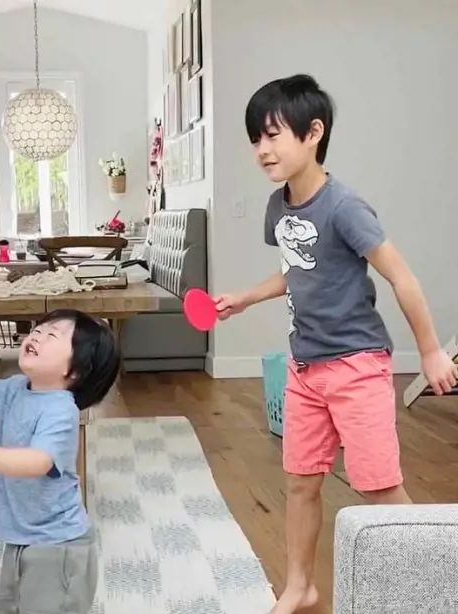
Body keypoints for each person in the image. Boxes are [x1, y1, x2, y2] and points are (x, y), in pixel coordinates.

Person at [214, 74, 457, 614]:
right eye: (256, 138)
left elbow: (403, 279)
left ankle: (434, 582)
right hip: (304, 368)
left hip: (357, 366)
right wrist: (245, 298)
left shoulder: (344, 206)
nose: (262, 149)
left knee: (378, 489)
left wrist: (433, 351)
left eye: (273, 135)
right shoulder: (279, 209)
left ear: (313, 133)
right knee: (300, 482)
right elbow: (296, 272)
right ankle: (301, 587)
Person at [0, 309, 121, 614]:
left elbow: (38, 461)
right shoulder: (14, 389)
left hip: (58, 544)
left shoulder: (60, 410)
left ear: (76, 371)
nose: (38, 335)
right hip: (20, 533)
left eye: (52, 336)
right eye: (39, 330)